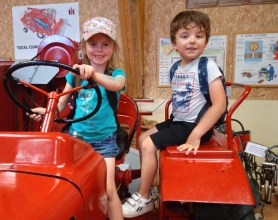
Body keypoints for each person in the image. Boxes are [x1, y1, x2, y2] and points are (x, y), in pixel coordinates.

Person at [122, 10, 226, 218]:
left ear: (206, 41)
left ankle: (143, 198)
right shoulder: (176, 68)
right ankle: (149, 188)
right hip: (178, 121)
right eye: (185, 36)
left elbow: (219, 105)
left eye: (199, 35)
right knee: (142, 138)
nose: (192, 41)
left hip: (195, 126)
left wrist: (196, 134)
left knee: (149, 144)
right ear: (173, 43)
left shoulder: (208, 66)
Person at [28, 17, 125, 220]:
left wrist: (92, 75)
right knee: (70, 186)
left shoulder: (116, 74)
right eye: (93, 44)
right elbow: (60, 107)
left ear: (113, 48)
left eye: (105, 44)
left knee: (107, 190)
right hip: (77, 140)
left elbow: (116, 85)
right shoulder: (74, 75)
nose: (99, 49)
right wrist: (46, 112)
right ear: (84, 47)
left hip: (104, 143)